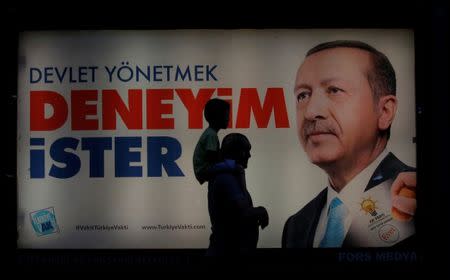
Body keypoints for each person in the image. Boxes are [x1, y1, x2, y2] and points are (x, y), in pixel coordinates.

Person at [282, 40, 417, 248]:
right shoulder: (296, 226)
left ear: (385, 112)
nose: (310, 112)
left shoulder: (415, 199)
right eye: (303, 95)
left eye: (334, 90)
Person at [206, 133, 269, 256]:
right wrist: (261, 211)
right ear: (237, 152)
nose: (249, 155)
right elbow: (243, 213)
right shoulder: (225, 178)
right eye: (246, 151)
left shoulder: (229, 176)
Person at [193, 98, 230, 185]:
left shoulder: (210, 133)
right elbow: (212, 157)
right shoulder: (211, 135)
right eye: (227, 115)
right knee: (233, 166)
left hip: (204, 169)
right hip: (203, 170)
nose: (228, 119)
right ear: (218, 117)